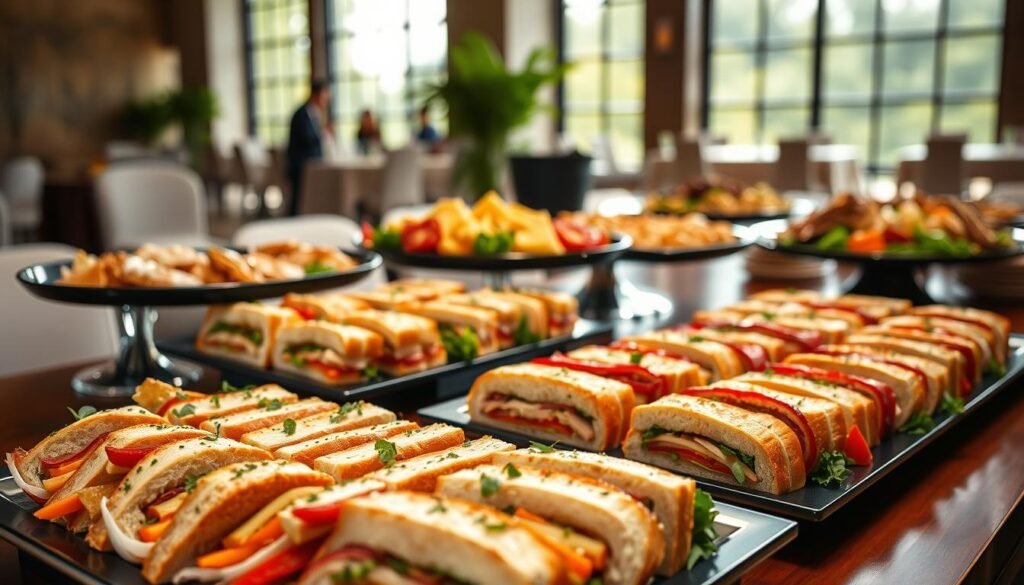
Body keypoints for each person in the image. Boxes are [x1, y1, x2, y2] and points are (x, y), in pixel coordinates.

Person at [286, 79, 331, 216]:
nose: (326, 100)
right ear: (316, 95)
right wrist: (323, 133)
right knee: (299, 202)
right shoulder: (301, 114)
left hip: (311, 166)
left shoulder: (313, 113)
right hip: (301, 167)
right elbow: (307, 140)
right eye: (324, 96)